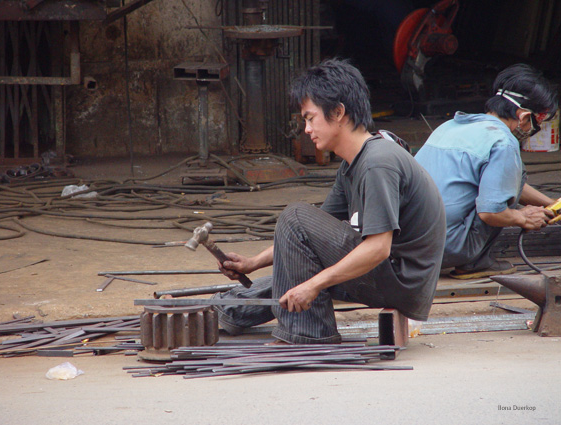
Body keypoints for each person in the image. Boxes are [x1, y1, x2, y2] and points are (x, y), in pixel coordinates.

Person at [213, 58, 446, 344]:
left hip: (400, 281)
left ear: (338, 112)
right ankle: (232, 311)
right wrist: (251, 263)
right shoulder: (352, 164)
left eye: (310, 118)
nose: (307, 129)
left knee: (295, 216)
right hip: (390, 275)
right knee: (296, 245)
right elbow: (303, 241)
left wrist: (314, 284)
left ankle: (309, 333)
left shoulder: (377, 163)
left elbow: (378, 249)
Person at [415, 63, 559, 280]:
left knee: (503, 182)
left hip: (408, 244)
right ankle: (474, 262)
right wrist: (523, 217)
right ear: (523, 117)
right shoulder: (503, 142)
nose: (532, 131)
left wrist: (550, 204)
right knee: (501, 193)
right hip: (445, 247)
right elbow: (490, 212)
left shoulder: (451, 126)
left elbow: (503, 180)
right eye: (536, 122)